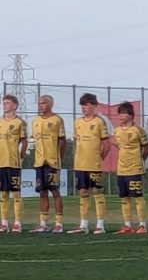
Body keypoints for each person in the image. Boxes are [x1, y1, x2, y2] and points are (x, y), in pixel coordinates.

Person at [68, 93, 111, 234]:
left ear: (94, 106)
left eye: (87, 105)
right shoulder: (77, 122)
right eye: (82, 105)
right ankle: (84, 225)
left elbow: (106, 144)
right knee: (83, 192)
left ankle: (100, 225)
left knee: (97, 192)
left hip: (94, 164)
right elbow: (76, 142)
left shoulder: (99, 122)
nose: (84, 108)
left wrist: (99, 159)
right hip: (80, 164)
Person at [29, 95, 66, 233]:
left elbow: (62, 140)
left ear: (50, 104)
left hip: (52, 162)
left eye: (43, 103)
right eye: (39, 103)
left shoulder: (57, 120)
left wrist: (58, 157)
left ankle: (59, 223)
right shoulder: (35, 121)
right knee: (42, 192)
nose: (41, 106)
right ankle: (43, 223)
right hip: (39, 162)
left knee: (55, 191)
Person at [113, 102, 148, 234]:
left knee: (138, 196)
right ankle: (127, 225)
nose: (122, 116)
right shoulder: (117, 131)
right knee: (124, 197)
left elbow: (147, 147)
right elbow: (118, 146)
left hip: (135, 168)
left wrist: (140, 161)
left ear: (131, 115)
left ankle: (142, 225)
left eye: (124, 113)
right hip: (121, 169)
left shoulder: (138, 130)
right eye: (120, 113)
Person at [0, 95, 27, 233]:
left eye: (8, 103)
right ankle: (3, 223)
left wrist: (21, 155)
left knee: (15, 193)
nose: (5, 105)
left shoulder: (19, 123)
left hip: (13, 163)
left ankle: (17, 223)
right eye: (4, 103)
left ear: (15, 106)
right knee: (3, 193)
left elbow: (24, 140)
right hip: (1, 163)